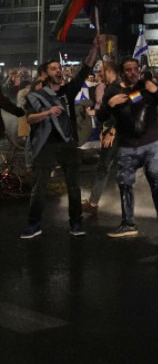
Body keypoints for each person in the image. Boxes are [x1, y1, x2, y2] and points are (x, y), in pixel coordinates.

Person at [20, 36, 100, 239]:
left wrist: (94, 48)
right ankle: (34, 224)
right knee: (39, 188)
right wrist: (47, 113)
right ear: (45, 74)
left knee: (74, 188)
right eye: (54, 68)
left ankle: (75, 223)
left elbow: (85, 69)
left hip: (67, 144)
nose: (59, 71)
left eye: (60, 68)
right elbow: (29, 119)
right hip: (45, 146)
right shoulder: (36, 96)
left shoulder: (68, 91)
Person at [99, 57, 158, 238]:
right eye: (128, 70)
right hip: (127, 146)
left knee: (156, 180)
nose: (133, 73)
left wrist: (156, 90)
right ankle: (128, 223)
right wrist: (110, 104)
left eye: (135, 69)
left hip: (152, 144)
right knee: (125, 183)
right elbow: (101, 116)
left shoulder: (146, 86)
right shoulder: (112, 90)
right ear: (121, 72)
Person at [82, 60, 121, 214]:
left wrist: (112, 131)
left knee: (104, 167)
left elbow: (125, 112)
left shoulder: (118, 88)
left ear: (109, 70)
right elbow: (110, 112)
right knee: (110, 167)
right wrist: (104, 127)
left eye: (100, 72)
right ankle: (94, 201)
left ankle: (93, 203)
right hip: (111, 132)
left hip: (115, 135)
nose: (98, 75)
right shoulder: (111, 87)